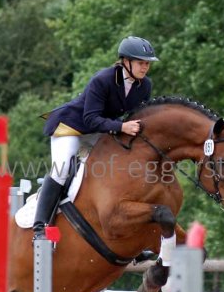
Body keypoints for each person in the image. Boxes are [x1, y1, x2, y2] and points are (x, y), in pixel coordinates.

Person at [33, 36, 159, 239]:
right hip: (71, 127)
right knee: (62, 168)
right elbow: (90, 119)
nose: (145, 67)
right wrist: (121, 126)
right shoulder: (103, 79)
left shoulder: (144, 86)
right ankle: (39, 227)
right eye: (141, 63)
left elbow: (137, 117)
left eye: (147, 64)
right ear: (126, 61)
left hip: (100, 131)